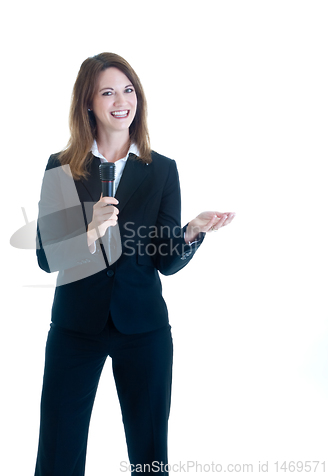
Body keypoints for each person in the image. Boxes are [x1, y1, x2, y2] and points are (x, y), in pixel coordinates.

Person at [34, 52, 235, 476]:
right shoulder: (62, 167)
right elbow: (45, 256)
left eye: (128, 91)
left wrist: (190, 232)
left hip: (143, 330)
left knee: (150, 457)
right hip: (76, 329)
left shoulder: (162, 170)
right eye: (107, 92)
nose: (120, 100)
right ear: (88, 102)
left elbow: (165, 262)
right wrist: (89, 230)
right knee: (58, 453)